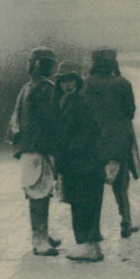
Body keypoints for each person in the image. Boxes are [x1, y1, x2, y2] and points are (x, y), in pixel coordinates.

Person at [7, 47, 61, 256]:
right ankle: (39, 239)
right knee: (39, 192)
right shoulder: (45, 89)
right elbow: (52, 121)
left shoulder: (29, 87)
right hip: (38, 148)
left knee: (40, 191)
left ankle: (43, 234)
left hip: (32, 147)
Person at [84, 47, 140, 238]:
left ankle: (94, 230)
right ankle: (126, 222)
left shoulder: (87, 84)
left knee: (94, 189)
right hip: (119, 142)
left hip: (93, 144)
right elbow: (131, 112)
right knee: (121, 187)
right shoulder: (123, 83)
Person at [52, 60, 106, 262]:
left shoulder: (83, 102)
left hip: (86, 163)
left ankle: (90, 247)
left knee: (86, 203)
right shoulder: (67, 102)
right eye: (63, 81)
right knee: (80, 203)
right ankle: (87, 246)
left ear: (78, 80)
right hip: (77, 164)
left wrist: (70, 148)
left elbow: (90, 130)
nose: (67, 84)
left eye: (70, 80)